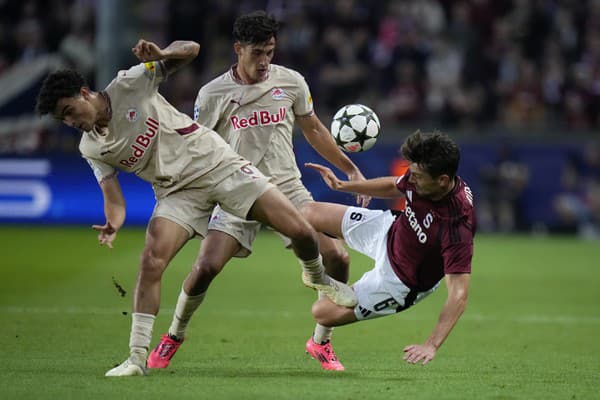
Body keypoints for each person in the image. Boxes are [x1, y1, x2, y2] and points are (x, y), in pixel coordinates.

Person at [35, 38, 357, 377]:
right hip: (177, 192)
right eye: (62, 120)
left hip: (217, 164)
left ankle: (317, 278)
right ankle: (136, 357)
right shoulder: (91, 147)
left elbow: (191, 49)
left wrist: (162, 55)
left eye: (69, 111)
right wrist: (113, 222)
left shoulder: (130, 83)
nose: (70, 122)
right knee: (152, 259)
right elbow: (112, 195)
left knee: (301, 230)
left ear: (84, 93)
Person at [148, 11, 369, 371]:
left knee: (339, 258)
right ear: (238, 49)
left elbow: (313, 129)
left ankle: (321, 342)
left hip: (287, 188)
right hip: (235, 188)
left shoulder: (291, 82)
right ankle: (174, 334)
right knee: (205, 267)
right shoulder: (213, 93)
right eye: (257, 53)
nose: (265, 61)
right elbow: (196, 147)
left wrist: (350, 168)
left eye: (270, 51)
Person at [301, 130, 475, 368]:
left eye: (417, 176)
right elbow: (395, 186)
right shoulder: (424, 177)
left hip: (401, 281)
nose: (410, 180)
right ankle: (320, 273)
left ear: (443, 180)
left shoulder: (456, 225)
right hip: (389, 230)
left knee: (322, 312)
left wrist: (431, 345)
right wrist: (345, 185)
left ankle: (319, 340)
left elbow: (459, 294)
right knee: (307, 214)